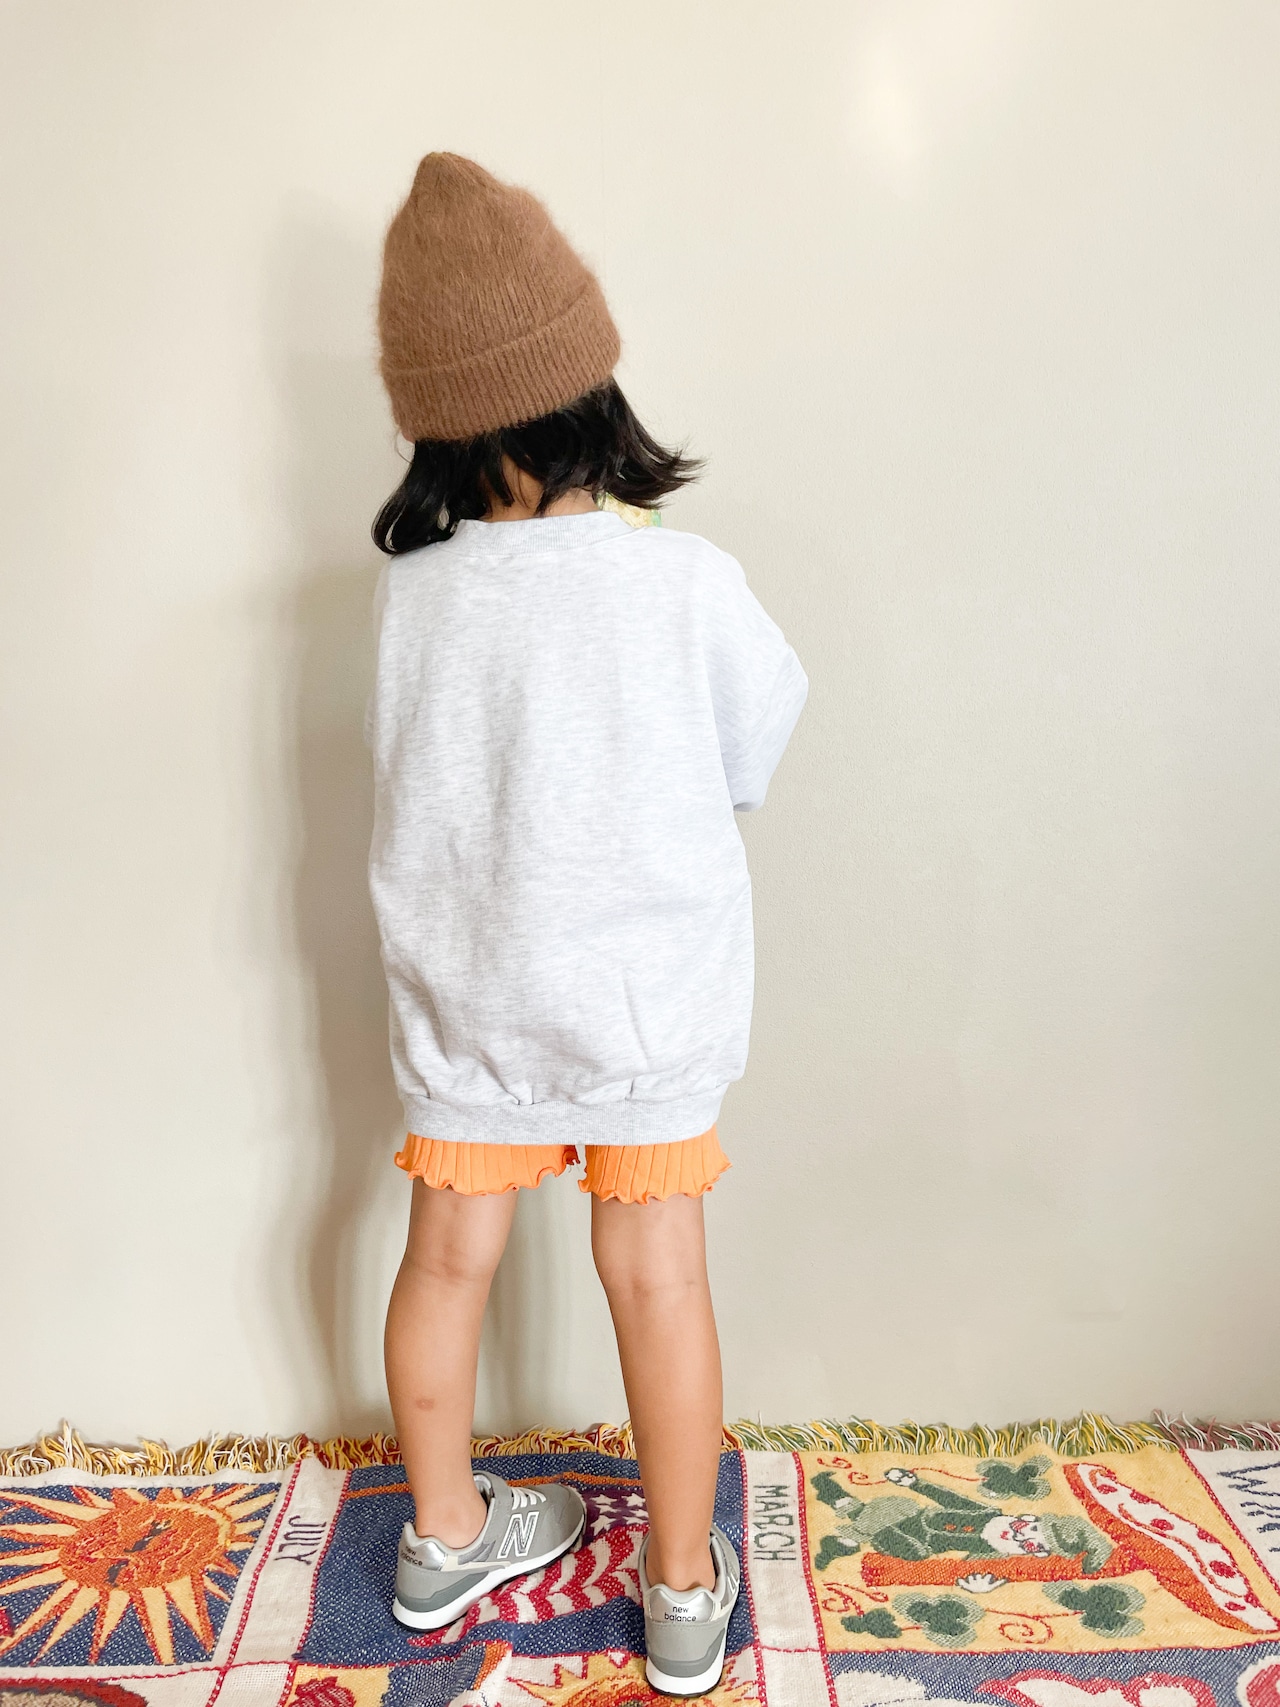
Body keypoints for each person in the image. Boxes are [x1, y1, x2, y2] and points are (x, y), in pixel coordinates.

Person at [367, 152, 807, 1697]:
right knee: (660, 1276)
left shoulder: (412, 596)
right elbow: (755, 746)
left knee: (444, 1264)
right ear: (592, 386)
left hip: (473, 1000)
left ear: (431, 421)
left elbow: (415, 784)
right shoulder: (683, 582)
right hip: (641, 1000)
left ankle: (441, 1538)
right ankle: (682, 1591)